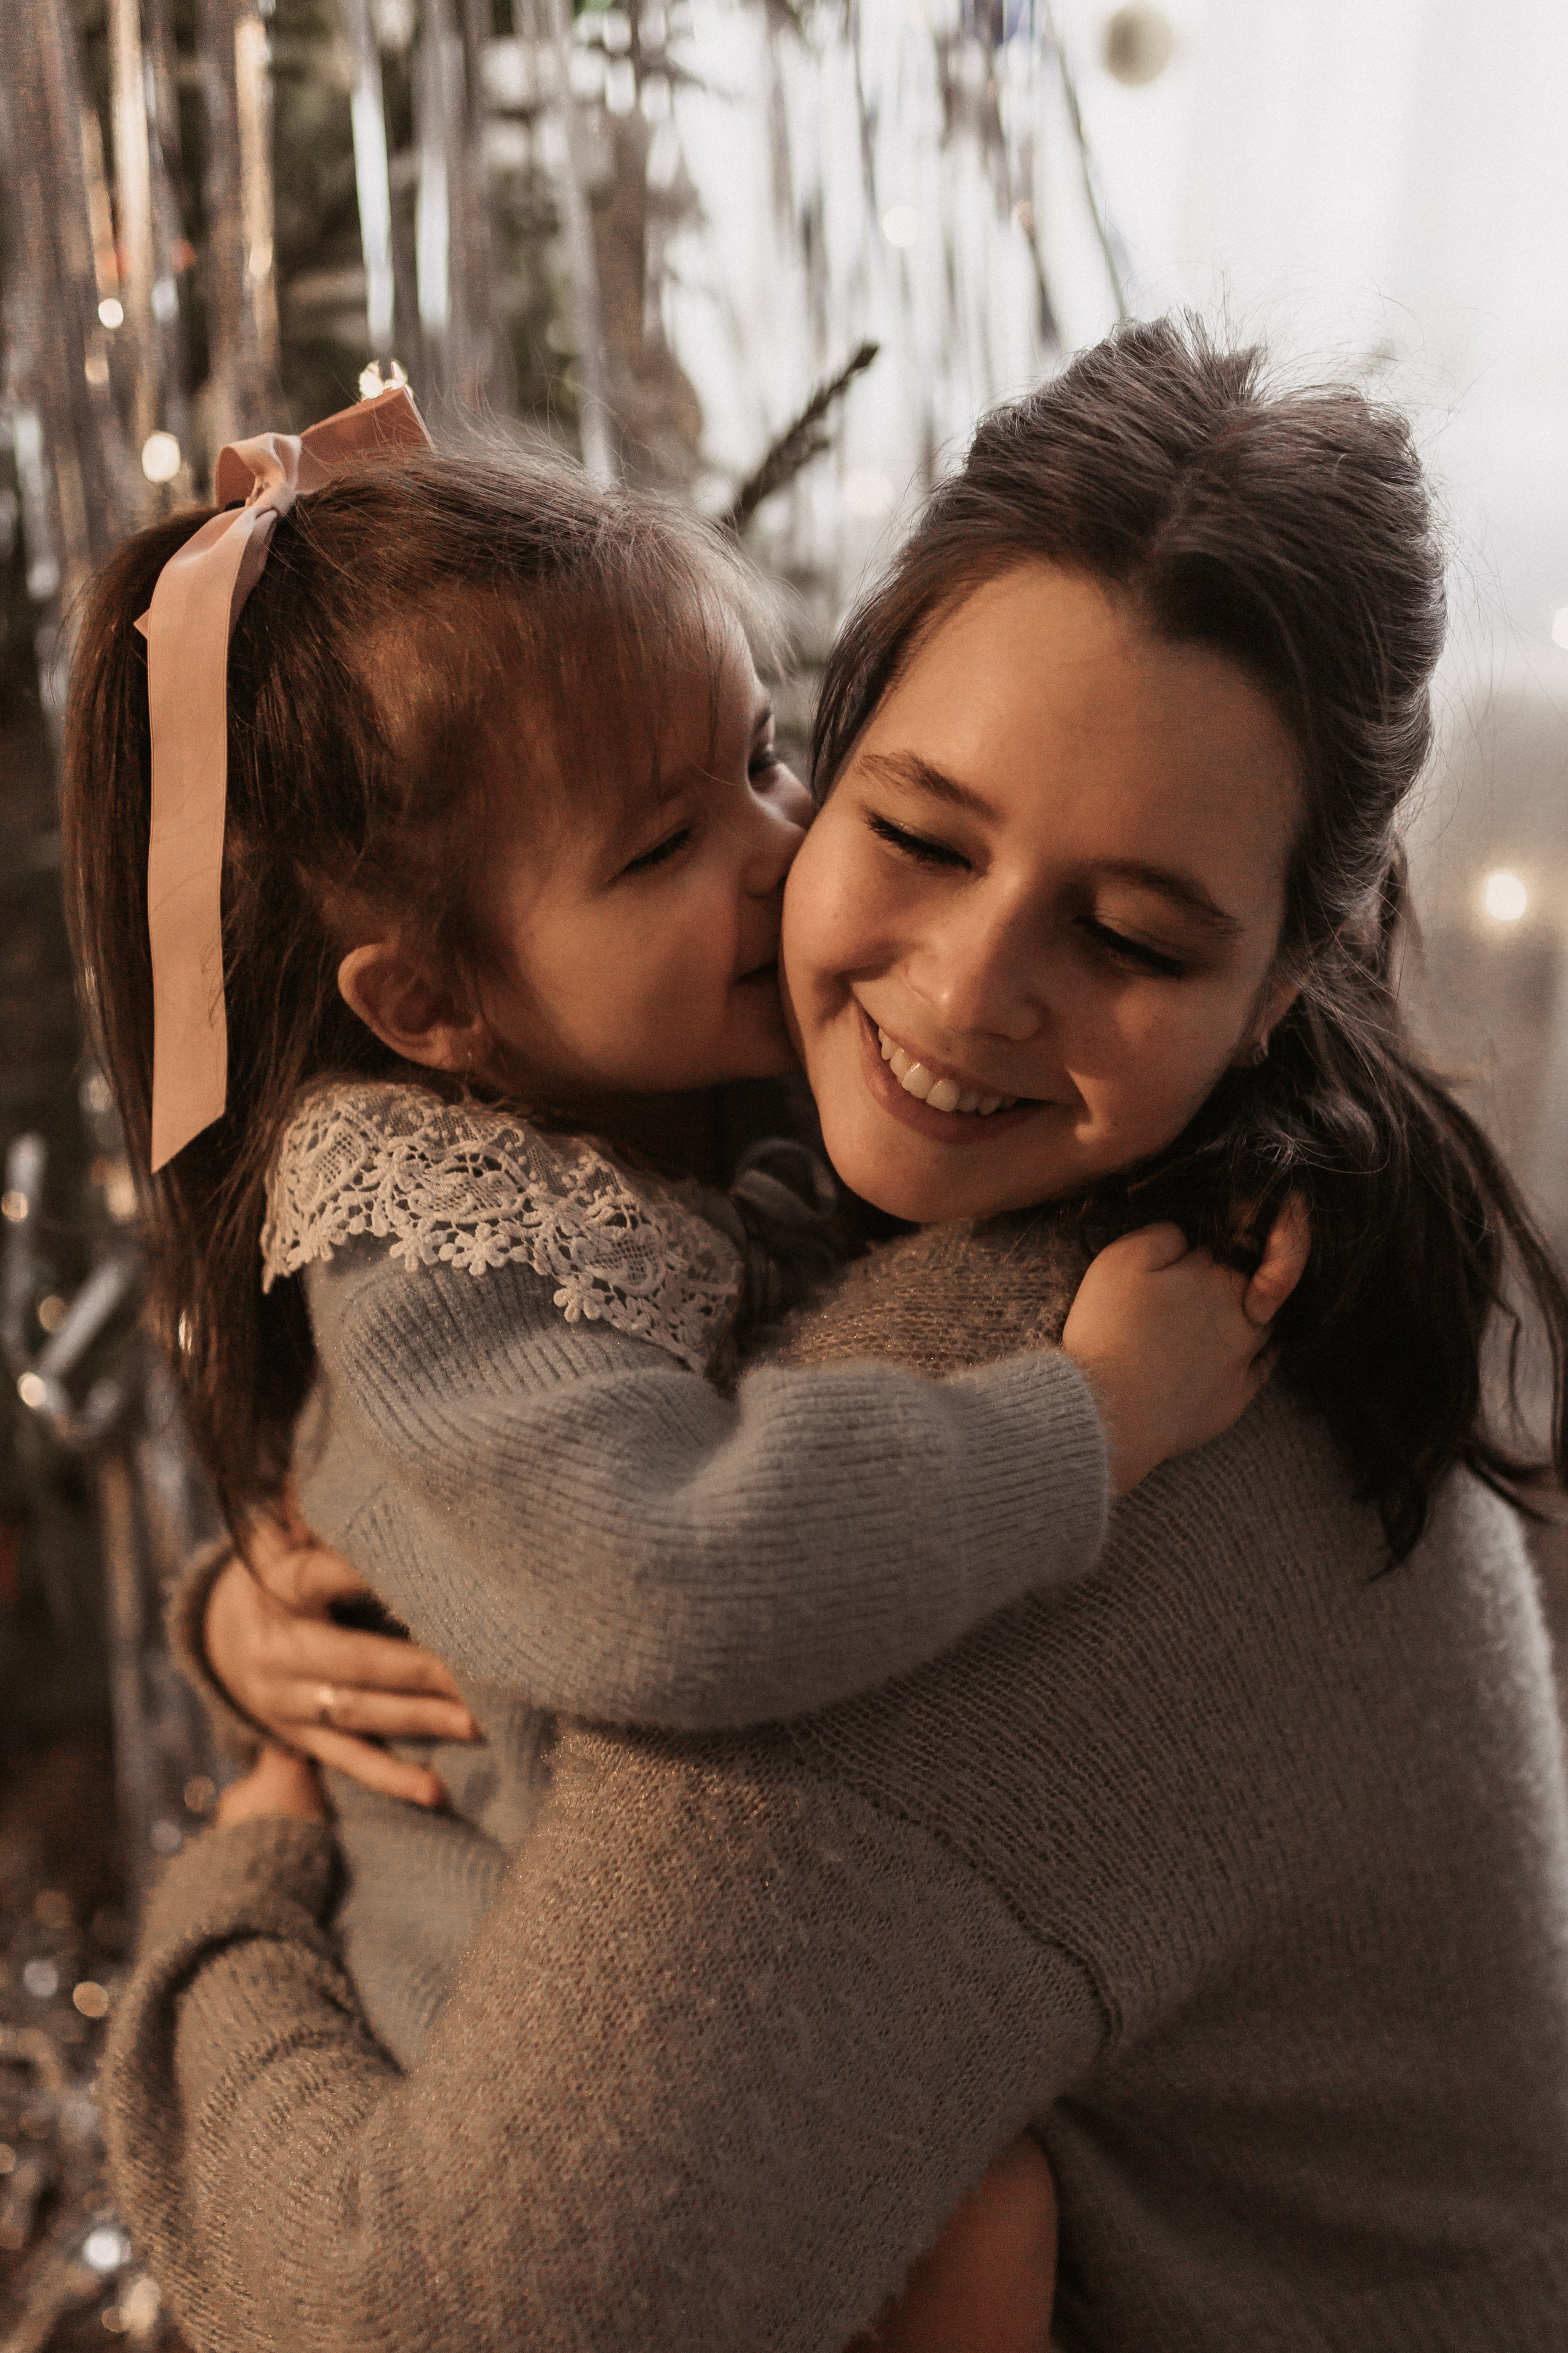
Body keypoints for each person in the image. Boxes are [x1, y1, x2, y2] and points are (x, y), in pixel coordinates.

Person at [104, 318, 1568, 2350]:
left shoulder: (1040, 1399)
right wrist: (271, 1595)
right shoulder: (1227, 1216)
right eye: (916, 832)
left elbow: (433, 2320)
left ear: (1287, 971)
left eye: (1132, 935)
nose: (965, 996)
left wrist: (233, 1887)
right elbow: (504, 1449)